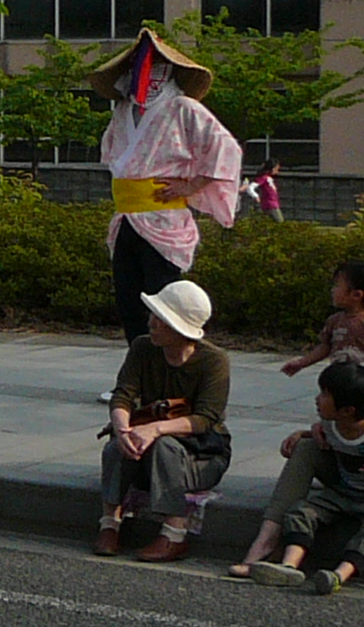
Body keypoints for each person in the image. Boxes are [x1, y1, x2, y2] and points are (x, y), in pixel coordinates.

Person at [91, 30, 240, 345]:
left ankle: (168, 367)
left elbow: (225, 148)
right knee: (129, 302)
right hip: (127, 216)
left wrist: (191, 185)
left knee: (164, 303)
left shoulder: (183, 107)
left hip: (163, 218)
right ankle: (138, 365)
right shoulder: (123, 109)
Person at [96, 279, 229, 562]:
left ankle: (174, 533)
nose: (152, 323)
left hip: (200, 456)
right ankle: (110, 523)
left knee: (165, 445)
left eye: (162, 319)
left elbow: (206, 418)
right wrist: (123, 429)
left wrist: (155, 429)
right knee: (116, 447)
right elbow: (123, 395)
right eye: (153, 315)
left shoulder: (214, 361)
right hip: (147, 454)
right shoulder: (143, 348)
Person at [235, 361, 364, 594]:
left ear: (348, 411)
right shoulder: (330, 425)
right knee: (300, 512)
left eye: (325, 395)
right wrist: (302, 434)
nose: (317, 399)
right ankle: (289, 566)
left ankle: (338, 575)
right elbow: (322, 435)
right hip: (342, 493)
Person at [280, 262, 364, 379]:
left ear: (356, 295)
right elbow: (325, 346)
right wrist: (301, 363)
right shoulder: (334, 321)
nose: (332, 290)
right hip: (338, 377)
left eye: (337, 286)